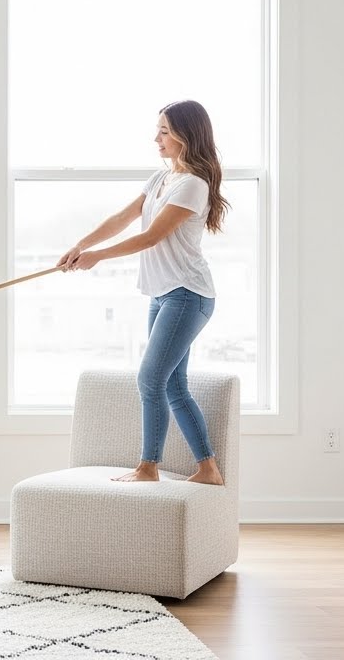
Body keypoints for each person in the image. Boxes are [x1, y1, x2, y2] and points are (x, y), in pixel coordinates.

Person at [57, 100, 230, 485]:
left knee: (151, 380)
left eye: (165, 131)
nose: (157, 138)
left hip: (188, 295)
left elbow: (152, 236)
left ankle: (148, 467)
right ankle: (208, 469)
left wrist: (97, 257)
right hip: (164, 294)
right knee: (172, 384)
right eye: (159, 130)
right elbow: (122, 218)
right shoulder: (160, 179)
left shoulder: (193, 185)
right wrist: (80, 246)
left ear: (187, 134)